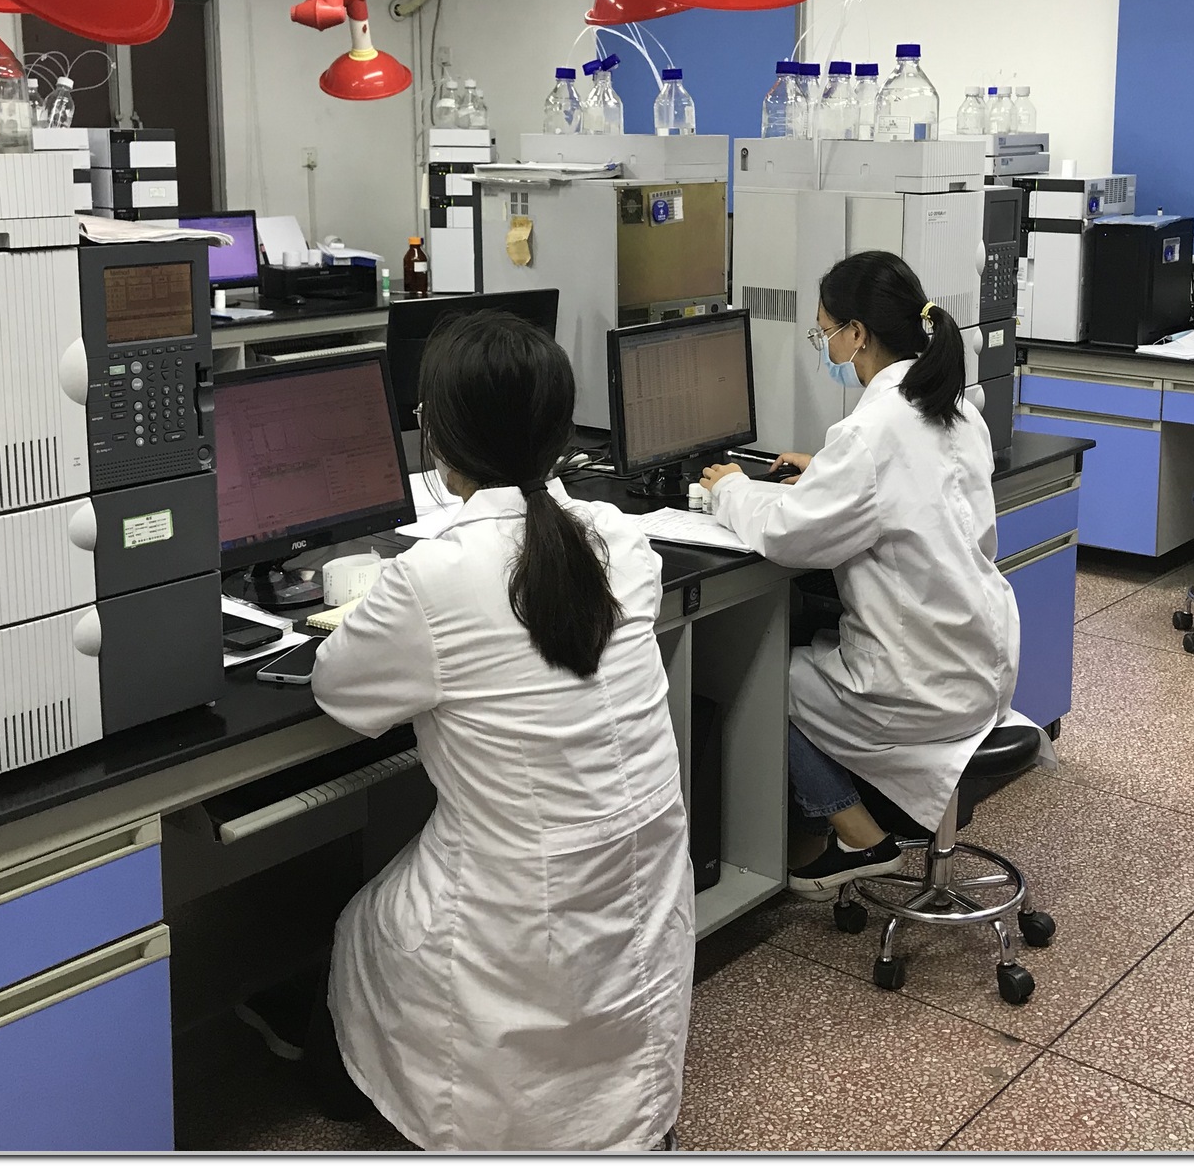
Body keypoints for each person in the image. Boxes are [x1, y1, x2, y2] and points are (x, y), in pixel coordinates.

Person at [306, 311, 693, 1151]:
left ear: (437, 436)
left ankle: (360, 1099)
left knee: (362, 927)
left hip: (513, 907)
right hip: (638, 878)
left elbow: (338, 688)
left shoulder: (433, 575)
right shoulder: (621, 539)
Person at [699, 251, 1036, 900]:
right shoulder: (953, 409)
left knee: (764, 672)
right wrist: (828, 471)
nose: (825, 345)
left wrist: (730, 488)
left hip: (918, 684)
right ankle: (828, 830)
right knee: (810, 642)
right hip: (982, 660)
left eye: (824, 330)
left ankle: (856, 835)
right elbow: (904, 493)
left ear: (856, 333)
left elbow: (786, 534)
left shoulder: (871, 432)